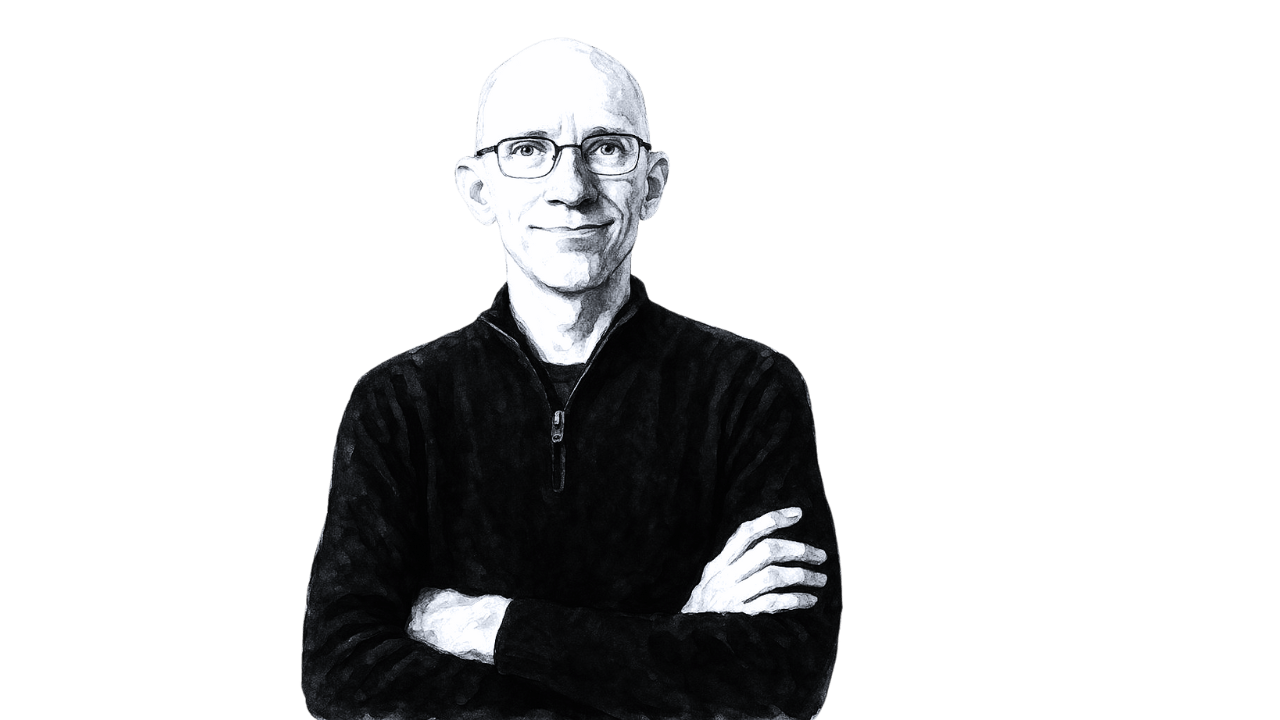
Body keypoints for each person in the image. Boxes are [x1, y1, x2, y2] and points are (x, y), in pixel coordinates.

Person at [301, 38, 842, 720]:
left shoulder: (751, 391)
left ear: (653, 185)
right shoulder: (398, 403)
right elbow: (341, 672)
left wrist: (489, 627)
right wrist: (671, 643)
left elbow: (785, 677)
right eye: (528, 150)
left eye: (607, 148)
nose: (572, 189)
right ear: (477, 191)